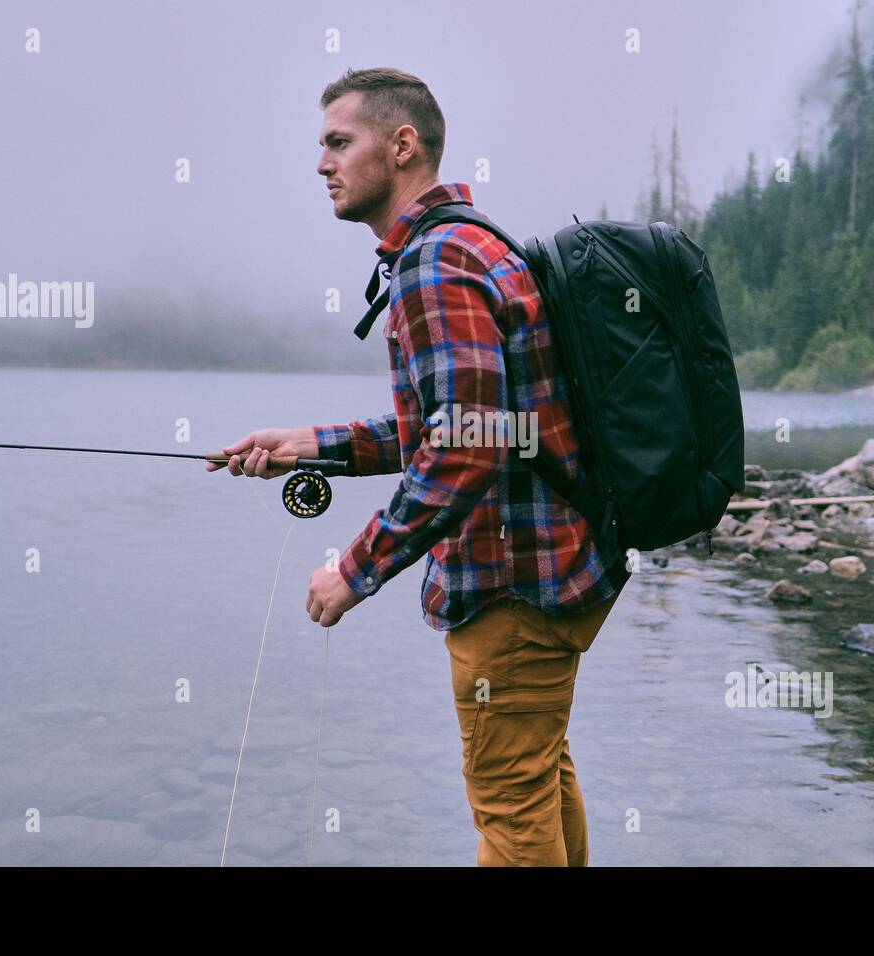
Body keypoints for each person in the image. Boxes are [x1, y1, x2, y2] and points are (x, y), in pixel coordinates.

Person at [208, 67, 630, 866]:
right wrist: (312, 445)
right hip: (563, 570)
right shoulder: (473, 241)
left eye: (340, 141)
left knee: (508, 802)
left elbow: (466, 446)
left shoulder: (435, 266)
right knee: (535, 774)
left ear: (402, 145)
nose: (322, 163)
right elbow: (464, 424)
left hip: (512, 588)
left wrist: (354, 571)